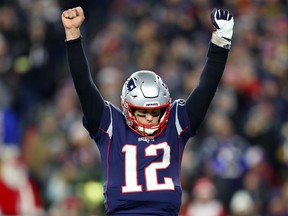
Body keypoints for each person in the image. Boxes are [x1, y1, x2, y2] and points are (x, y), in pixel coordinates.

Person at [61, 6, 234, 216]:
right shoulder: (110, 123)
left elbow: (207, 87)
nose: (150, 118)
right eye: (143, 113)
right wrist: (73, 35)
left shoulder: (175, 121)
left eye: (156, 112)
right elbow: (84, 85)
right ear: (127, 108)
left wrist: (221, 43)